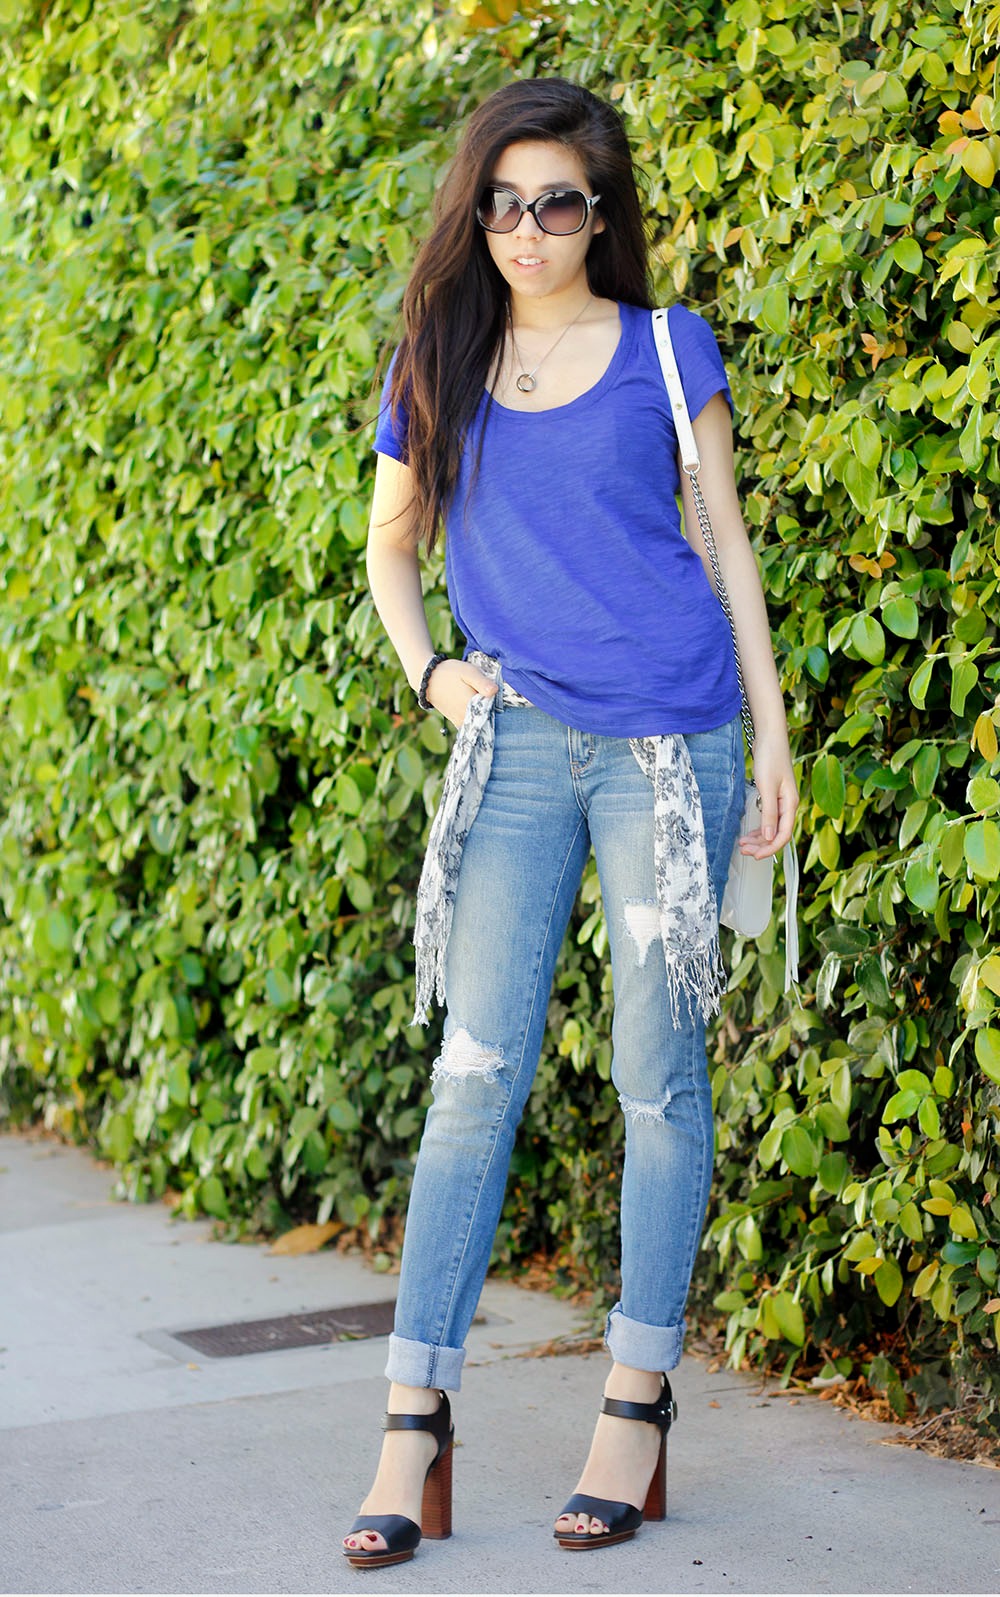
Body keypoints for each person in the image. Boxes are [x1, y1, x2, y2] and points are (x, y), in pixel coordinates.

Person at [342, 76, 798, 1567]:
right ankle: (414, 1421)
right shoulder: (440, 354)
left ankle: (636, 1401)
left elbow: (724, 542)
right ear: (475, 214)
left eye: (555, 202)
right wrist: (432, 670)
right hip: (520, 748)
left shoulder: (668, 346)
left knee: (660, 1084)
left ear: (599, 214)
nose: (526, 228)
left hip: (674, 745)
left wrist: (773, 738)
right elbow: (389, 550)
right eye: (502, 202)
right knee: (474, 1078)